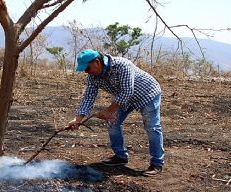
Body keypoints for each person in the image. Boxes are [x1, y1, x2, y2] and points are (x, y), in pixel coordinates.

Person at [66, 49, 165, 177]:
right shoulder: (92, 76)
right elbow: (89, 97)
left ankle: (157, 163)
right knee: (113, 123)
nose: (86, 72)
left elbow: (127, 92)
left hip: (147, 93)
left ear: (97, 62)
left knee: (152, 127)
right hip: (124, 99)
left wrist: (108, 111)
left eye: (87, 68)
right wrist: (78, 119)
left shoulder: (121, 65)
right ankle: (120, 156)